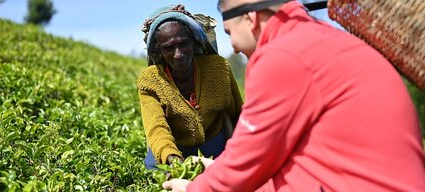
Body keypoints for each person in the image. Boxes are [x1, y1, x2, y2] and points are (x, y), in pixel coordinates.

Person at [163, 0, 425, 191]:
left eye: (230, 32)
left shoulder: (284, 55)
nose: (232, 45)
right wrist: (218, 170)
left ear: (251, 18)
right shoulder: (320, 40)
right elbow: (282, 167)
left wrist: (193, 189)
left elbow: (246, 162)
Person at [137, 4, 243, 170]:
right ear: (159, 50)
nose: (178, 54)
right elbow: (156, 127)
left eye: (183, 44)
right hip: (175, 146)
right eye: (169, 48)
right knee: (154, 170)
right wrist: (171, 157)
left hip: (215, 141)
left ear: (194, 42)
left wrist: (240, 149)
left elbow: (237, 113)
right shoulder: (150, 80)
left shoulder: (219, 68)